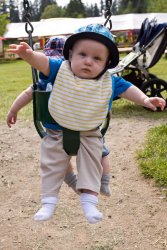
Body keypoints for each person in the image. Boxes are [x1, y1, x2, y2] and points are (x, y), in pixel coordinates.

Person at [7, 24, 165, 224]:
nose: (88, 61)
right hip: (56, 131)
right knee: (51, 163)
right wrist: (29, 55)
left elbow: (129, 89)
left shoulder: (110, 80)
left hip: (89, 132)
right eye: (82, 54)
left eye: (97, 58)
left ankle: (89, 201)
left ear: (107, 63)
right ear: (70, 54)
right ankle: (48, 202)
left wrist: (145, 100)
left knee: (92, 163)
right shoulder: (59, 70)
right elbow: (43, 62)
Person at [7, 35, 112, 196]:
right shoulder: (44, 82)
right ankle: (81, 182)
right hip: (62, 130)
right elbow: (28, 93)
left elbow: (27, 94)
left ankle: (102, 182)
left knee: (67, 160)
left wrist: (14, 110)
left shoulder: (84, 82)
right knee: (99, 153)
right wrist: (13, 110)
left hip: (79, 130)